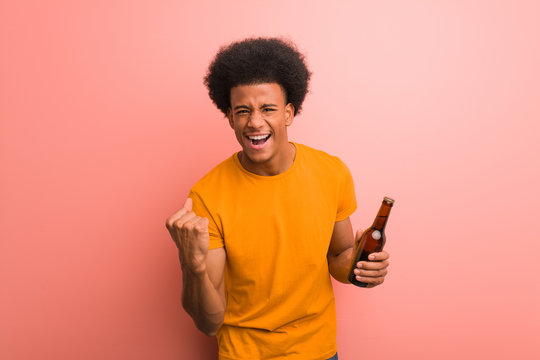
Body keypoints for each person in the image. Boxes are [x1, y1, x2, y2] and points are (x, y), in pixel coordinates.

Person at [165, 37, 390, 360]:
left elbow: (339, 254)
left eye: (267, 108)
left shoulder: (332, 173)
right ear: (230, 117)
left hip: (318, 351)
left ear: (288, 112)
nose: (255, 122)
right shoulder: (206, 196)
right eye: (243, 111)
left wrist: (359, 266)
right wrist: (193, 266)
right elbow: (208, 322)